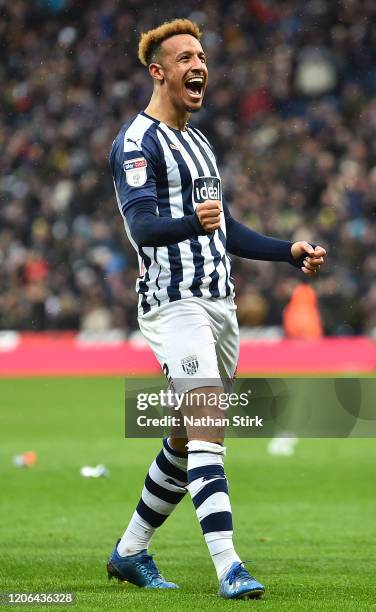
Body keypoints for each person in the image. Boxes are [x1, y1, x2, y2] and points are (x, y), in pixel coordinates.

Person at [107, 18, 326, 600]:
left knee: (183, 437)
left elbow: (223, 229)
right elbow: (142, 226)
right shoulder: (136, 142)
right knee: (208, 422)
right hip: (173, 305)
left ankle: (129, 552)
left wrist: (287, 252)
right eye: (184, 58)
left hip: (219, 306)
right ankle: (230, 565)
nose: (198, 65)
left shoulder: (201, 144)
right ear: (158, 72)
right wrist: (190, 223)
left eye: (201, 56)